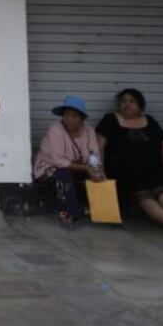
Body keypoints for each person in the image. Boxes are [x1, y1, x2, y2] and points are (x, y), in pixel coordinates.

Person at [98, 88, 163, 237]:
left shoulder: (150, 121)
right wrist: (100, 170)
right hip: (126, 172)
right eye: (123, 101)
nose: (127, 104)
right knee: (144, 196)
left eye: (132, 101)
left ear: (140, 105)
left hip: (154, 170)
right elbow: (99, 145)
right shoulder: (110, 120)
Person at [33, 95, 105, 229]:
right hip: (49, 169)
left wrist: (96, 169)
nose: (70, 119)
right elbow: (58, 161)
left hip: (76, 167)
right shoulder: (56, 129)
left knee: (98, 176)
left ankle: (99, 211)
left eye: (74, 116)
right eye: (67, 115)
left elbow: (93, 154)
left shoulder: (89, 130)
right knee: (63, 176)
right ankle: (67, 214)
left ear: (82, 118)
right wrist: (86, 168)